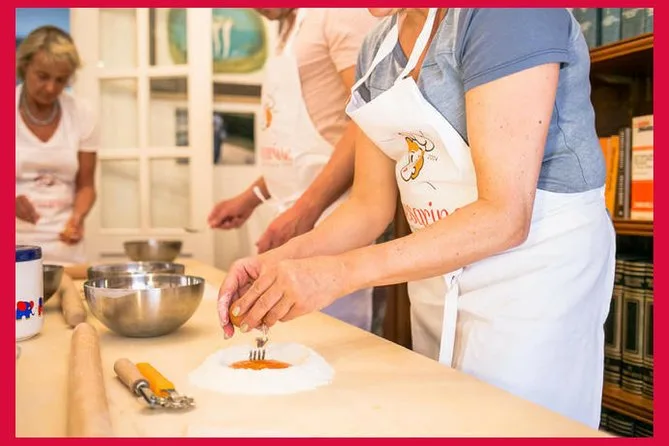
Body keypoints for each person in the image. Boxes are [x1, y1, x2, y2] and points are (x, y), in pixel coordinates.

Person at [217, 8, 617, 429]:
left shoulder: (505, 16)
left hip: (534, 277)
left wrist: (337, 274)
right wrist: (278, 261)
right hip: (435, 272)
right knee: (443, 420)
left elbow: (504, 216)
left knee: (517, 425)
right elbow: (368, 208)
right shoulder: (377, 47)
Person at [208, 8, 379, 332]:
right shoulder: (288, 30)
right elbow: (297, 147)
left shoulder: (339, 15)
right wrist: (252, 196)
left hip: (335, 216)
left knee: (331, 340)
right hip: (294, 215)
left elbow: (367, 120)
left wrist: (304, 211)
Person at [15, 26, 98, 265]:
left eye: (60, 80)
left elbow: (86, 185)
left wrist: (78, 217)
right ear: (25, 66)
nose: (51, 88)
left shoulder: (82, 113)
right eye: (43, 76)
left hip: (65, 246)